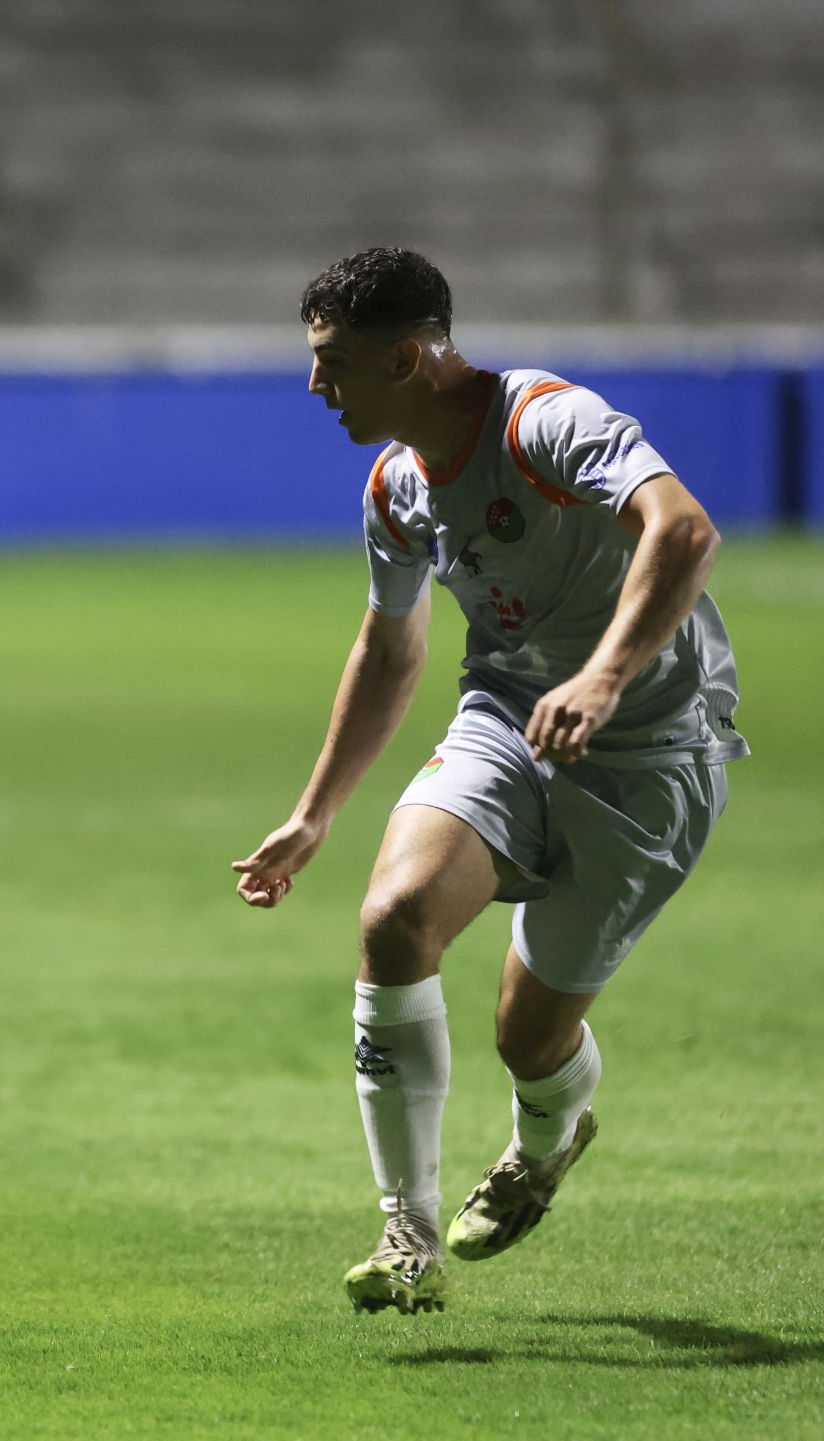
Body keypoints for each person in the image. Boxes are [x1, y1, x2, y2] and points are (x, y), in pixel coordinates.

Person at [231, 248, 746, 1315]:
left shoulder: (543, 421)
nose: (315, 387)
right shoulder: (396, 485)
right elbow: (391, 651)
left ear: (409, 358)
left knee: (530, 1037)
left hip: (649, 746)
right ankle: (406, 1233)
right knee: (394, 917)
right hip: (508, 719)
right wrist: (313, 811)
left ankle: (545, 1138)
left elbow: (685, 529)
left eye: (333, 363)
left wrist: (604, 678)